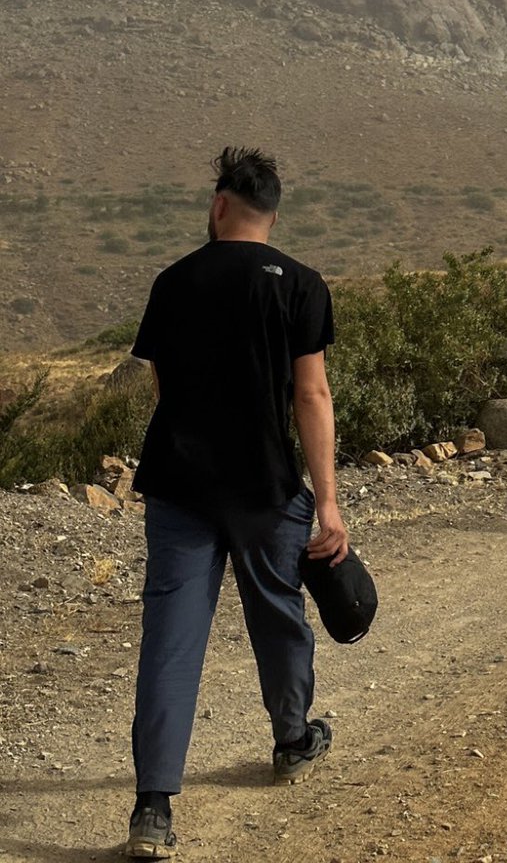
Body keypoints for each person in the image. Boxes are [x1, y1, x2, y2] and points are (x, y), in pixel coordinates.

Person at [124, 147, 349, 860]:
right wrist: (331, 507)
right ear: (272, 217)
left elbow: (163, 392)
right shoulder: (301, 285)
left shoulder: (172, 282)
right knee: (277, 616)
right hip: (264, 487)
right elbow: (311, 396)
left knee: (171, 640)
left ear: (220, 206)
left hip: (179, 487)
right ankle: (290, 739)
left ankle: (153, 810)